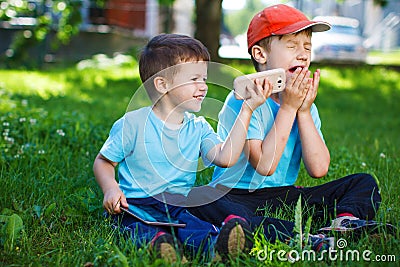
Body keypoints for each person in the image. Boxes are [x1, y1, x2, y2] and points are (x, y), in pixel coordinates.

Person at [188, 4, 385, 243]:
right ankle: (297, 235)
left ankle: (344, 223)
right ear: (261, 54)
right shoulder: (243, 99)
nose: (303, 54)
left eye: (307, 47)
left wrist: (302, 111)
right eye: (292, 46)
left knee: (363, 182)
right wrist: (289, 108)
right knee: (204, 201)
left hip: (282, 196)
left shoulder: (305, 106)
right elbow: (264, 165)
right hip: (235, 194)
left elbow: (319, 169)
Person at [93, 33, 271, 263]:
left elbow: (225, 157)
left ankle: (216, 248)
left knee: (195, 227)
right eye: (194, 79)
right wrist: (110, 188)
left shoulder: (198, 127)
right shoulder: (132, 124)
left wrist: (247, 110)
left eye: (205, 79)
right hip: (135, 205)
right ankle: (160, 247)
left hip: (178, 203)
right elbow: (104, 161)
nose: (203, 87)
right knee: (138, 230)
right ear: (162, 84)